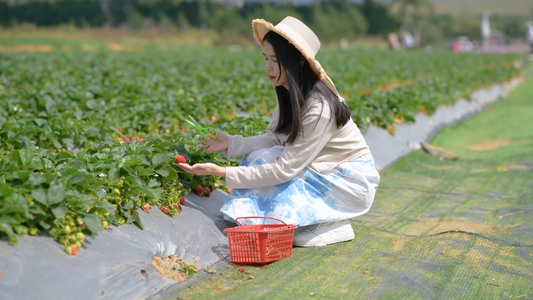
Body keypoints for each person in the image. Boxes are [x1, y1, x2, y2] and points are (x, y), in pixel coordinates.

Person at [177, 16, 380, 247]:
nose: (268, 67)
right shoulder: (290, 90)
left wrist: (223, 172)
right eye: (266, 58)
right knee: (260, 157)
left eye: (275, 60)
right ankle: (293, 221)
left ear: (298, 62)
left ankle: (334, 223)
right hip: (321, 170)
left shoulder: (320, 109)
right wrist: (229, 143)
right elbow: (274, 137)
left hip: (347, 183)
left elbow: (284, 169)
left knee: (271, 167)